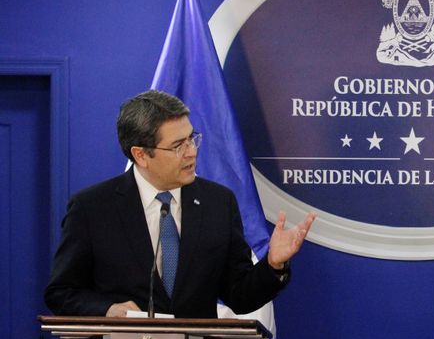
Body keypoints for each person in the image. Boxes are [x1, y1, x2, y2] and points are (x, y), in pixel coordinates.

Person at [45, 90, 316, 318]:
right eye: (178, 146)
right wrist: (109, 309)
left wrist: (273, 265)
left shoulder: (218, 203)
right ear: (140, 155)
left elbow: (239, 296)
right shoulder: (93, 208)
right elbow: (61, 293)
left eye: (191, 139)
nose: (192, 152)